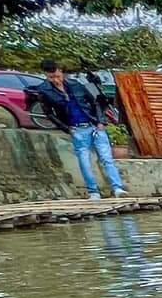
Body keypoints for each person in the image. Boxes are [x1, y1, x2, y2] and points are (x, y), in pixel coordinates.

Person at [27, 60, 124, 199]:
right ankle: (93, 192)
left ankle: (117, 189)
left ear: (61, 72)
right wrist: (67, 129)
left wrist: (101, 121)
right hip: (77, 130)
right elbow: (49, 114)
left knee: (107, 158)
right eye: (51, 77)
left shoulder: (75, 84)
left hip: (94, 125)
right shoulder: (44, 90)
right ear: (46, 75)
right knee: (84, 162)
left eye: (57, 76)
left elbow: (94, 102)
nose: (55, 80)